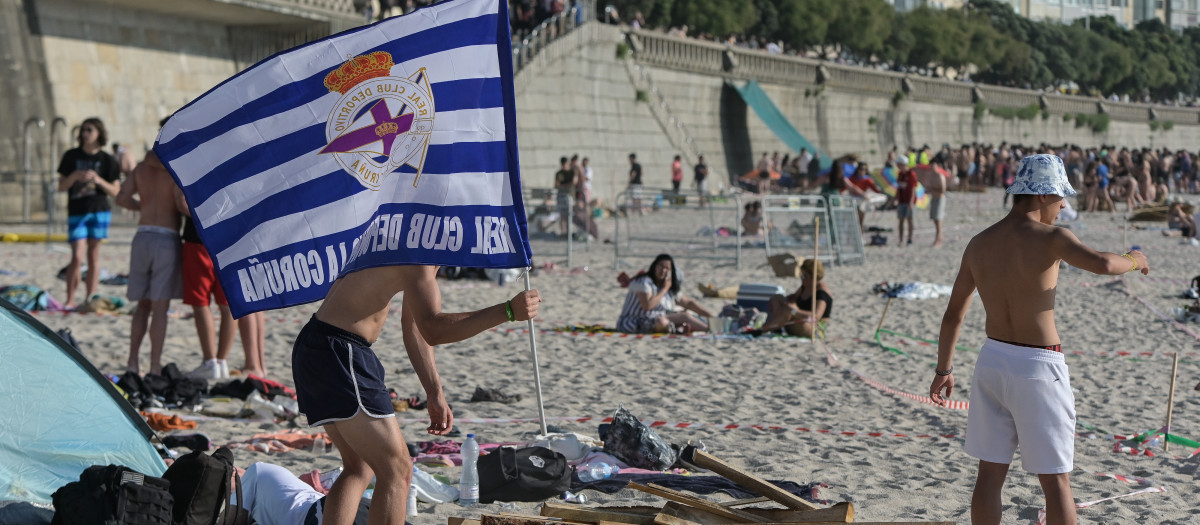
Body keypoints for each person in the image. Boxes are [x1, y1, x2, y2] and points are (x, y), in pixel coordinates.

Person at [929, 154, 1150, 525]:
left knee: (989, 474)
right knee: (1056, 481)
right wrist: (1135, 257)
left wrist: (943, 369)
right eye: (1062, 197)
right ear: (1044, 194)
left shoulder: (979, 242)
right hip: (1038, 367)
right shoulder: (1052, 237)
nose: (1064, 206)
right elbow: (1102, 264)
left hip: (992, 361)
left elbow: (953, 315)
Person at [292, 265, 540, 522]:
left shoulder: (409, 239)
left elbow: (416, 328)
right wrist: (507, 311)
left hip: (317, 342)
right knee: (397, 471)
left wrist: (434, 392)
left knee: (359, 467)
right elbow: (434, 329)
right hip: (341, 349)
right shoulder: (421, 251)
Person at [113, 149, 181, 375]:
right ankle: (154, 365)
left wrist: (143, 206)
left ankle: (132, 361)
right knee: (160, 308)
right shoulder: (175, 169)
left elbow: (121, 197)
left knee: (142, 304)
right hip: (166, 236)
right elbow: (181, 204)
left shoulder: (141, 168)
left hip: (142, 235)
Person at [57, 118, 122, 308]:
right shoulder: (71, 156)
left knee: (93, 256)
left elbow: (116, 191)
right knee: (77, 257)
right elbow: (61, 186)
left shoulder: (108, 160)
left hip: (99, 210)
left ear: (99, 134)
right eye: (83, 130)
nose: (85, 133)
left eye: (89, 130)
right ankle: (69, 299)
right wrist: (75, 176)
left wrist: (99, 181)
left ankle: (90, 298)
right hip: (77, 211)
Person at [616, 254, 713, 334]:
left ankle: (711, 329)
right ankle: (678, 330)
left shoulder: (669, 288)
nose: (663, 270)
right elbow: (648, 305)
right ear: (654, 266)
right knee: (661, 322)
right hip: (633, 321)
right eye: (660, 266)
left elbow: (688, 303)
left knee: (685, 316)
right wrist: (664, 289)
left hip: (656, 319)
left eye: (667, 268)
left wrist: (711, 316)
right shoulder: (643, 282)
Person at [757, 258, 830, 338]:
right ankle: (773, 327)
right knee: (777, 298)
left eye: (804, 277)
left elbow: (815, 317)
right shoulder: (806, 286)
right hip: (798, 319)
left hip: (813, 327)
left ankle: (763, 329)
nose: (802, 279)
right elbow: (794, 297)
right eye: (801, 276)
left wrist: (794, 311)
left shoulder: (821, 293)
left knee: (788, 311)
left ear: (814, 277)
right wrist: (784, 302)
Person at [894, 157, 917, 246]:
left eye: (898, 164)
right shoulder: (900, 174)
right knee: (901, 220)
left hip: (909, 201)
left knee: (909, 219)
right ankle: (901, 239)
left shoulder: (911, 174)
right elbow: (899, 187)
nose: (897, 166)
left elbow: (913, 189)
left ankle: (910, 239)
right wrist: (895, 198)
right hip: (901, 200)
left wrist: (911, 202)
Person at [554, 156, 575, 236]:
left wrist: (564, 185)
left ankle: (568, 233)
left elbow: (574, 183)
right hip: (562, 196)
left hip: (569, 196)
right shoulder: (559, 173)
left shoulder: (572, 172)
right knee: (562, 215)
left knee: (569, 215)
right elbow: (557, 185)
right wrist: (567, 185)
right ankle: (564, 232)